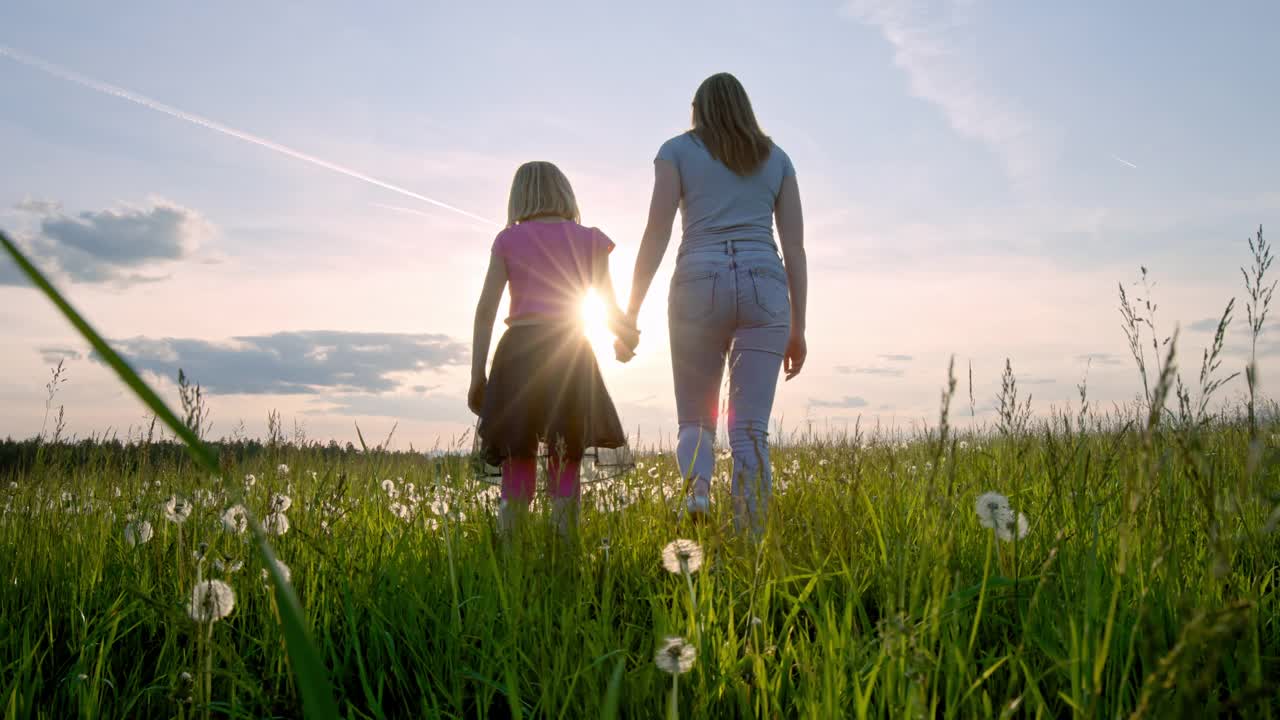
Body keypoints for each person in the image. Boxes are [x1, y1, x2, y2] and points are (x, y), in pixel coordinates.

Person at [618, 72, 808, 535]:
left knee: (696, 418)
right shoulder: (777, 159)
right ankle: (750, 541)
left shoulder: (677, 151)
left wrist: (631, 311)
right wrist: (798, 326)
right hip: (766, 281)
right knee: (749, 431)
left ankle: (699, 494)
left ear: (698, 109)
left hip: (698, 278)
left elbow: (657, 231)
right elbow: (796, 246)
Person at [469, 161, 638, 538]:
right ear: (565, 193)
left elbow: (485, 311)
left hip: (518, 355)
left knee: (517, 454)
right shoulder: (590, 239)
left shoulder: (507, 240)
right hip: (569, 352)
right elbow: (608, 305)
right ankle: (565, 552)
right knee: (566, 453)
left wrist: (477, 374)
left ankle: (512, 555)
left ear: (518, 197)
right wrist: (623, 339)